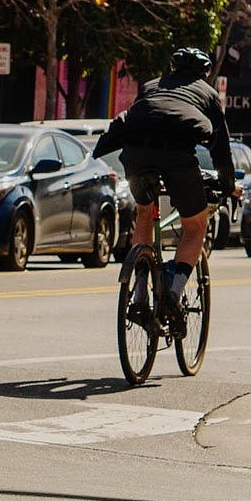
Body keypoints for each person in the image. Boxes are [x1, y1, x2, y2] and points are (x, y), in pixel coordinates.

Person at [93, 48, 237, 334]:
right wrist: (227, 185)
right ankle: (174, 292)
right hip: (177, 159)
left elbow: (139, 120)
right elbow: (221, 145)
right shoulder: (207, 94)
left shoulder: (150, 86)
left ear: (170, 69)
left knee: (144, 212)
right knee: (195, 226)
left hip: (135, 157)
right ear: (204, 73)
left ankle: (140, 294)